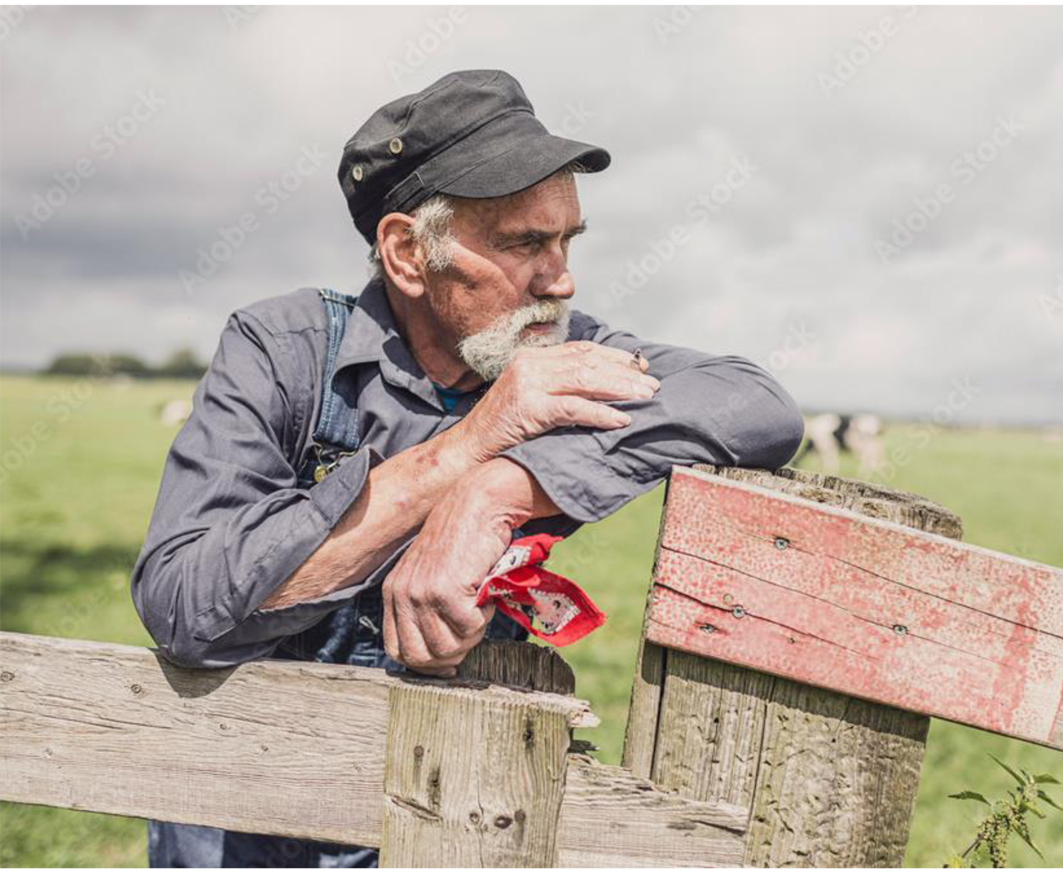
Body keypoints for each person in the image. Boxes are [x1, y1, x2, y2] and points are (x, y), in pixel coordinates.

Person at [132, 69, 804, 868]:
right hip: (242, 817)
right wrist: (466, 446)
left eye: (567, 240)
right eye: (524, 244)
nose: (561, 279)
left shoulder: (556, 353)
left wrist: (497, 489)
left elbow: (757, 404)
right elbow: (185, 608)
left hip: (447, 821)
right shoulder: (284, 352)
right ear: (408, 253)